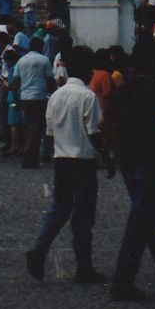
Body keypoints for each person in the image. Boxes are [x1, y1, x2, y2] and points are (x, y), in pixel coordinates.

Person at [25, 45, 115, 285]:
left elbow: (50, 132)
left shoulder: (56, 96)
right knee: (83, 216)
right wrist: (107, 159)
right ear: (87, 70)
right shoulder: (87, 96)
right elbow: (94, 132)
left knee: (59, 208)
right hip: (83, 161)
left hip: (61, 159)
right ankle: (83, 267)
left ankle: (39, 249)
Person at [105, 42, 155, 302]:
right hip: (152, 161)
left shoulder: (122, 90)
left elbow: (105, 123)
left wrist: (118, 151)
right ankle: (122, 280)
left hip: (129, 162)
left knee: (150, 220)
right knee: (139, 223)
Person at [13, 36, 56, 169]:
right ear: (40, 47)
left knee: (30, 127)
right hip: (39, 97)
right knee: (36, 129)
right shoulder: (44, 60)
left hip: (25, 97)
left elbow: (15, 82)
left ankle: (31, 156)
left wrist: (16, 99)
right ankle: (30, 157)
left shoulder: (21, 61)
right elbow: (50, 80)